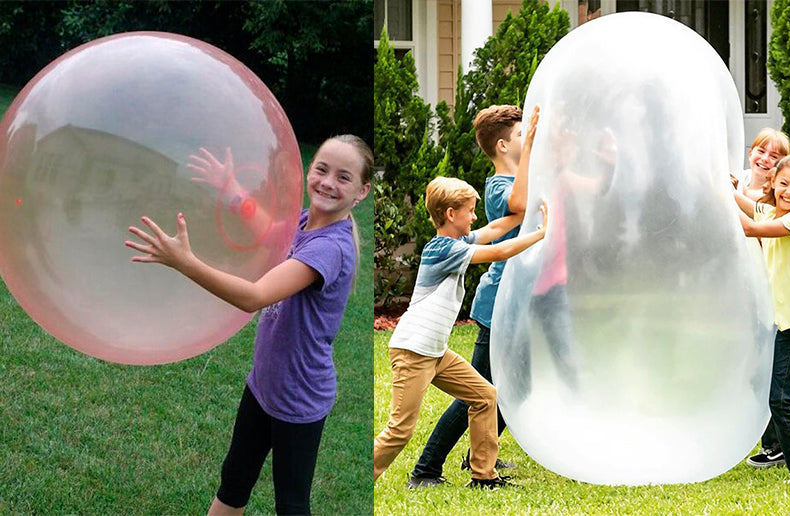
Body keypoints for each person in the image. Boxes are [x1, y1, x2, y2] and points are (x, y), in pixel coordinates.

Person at [124, 135, 372, 515]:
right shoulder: (306, 222)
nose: (327, 182)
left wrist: (184, 262)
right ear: (309, 170)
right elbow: (271, 231)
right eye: (321, 169)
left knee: (291, 505)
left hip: (299, 398)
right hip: (263, 385)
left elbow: (254, 296)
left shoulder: (331, 247)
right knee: (234, 481)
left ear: (361, 192)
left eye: (343, 177)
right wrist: (232, 189)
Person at [373, 176, 548, 489]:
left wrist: (526, 213)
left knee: (485, 396)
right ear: (451, 214)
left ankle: (484, 476)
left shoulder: (458, 242)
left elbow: (494, 231)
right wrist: (540, 234)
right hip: (414, 351)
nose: (475, 217)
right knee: (399, 431)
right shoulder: (442, 249)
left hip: (436, 352)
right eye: (470, 211)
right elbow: (498, 252)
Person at [405, 105, 540, 488]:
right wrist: (529, 143)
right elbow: (519, 204)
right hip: (498, 303)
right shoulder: (500, 186)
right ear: (502, 146)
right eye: (517, 137)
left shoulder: (523, 178)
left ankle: (480, 454)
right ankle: (426, 469)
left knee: (517, 386)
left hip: (520, 301)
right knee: (476, 391)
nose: (524, 140)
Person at [734, 153, 790, 482]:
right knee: (778, 397)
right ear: (773, 183)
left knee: (780, 399)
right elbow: (747, 205)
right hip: (786, 325)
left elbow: (749, 227)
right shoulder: (773, 211)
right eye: (784, 184)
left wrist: (723, 199)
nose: (789, 191)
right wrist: (719, 186)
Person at [734, 128, 790, 201]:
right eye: (761, 151)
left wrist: (739, 191)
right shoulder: (740, 175)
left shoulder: (777, 193)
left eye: (773, 156)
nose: (765, 159)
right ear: (750, 154)